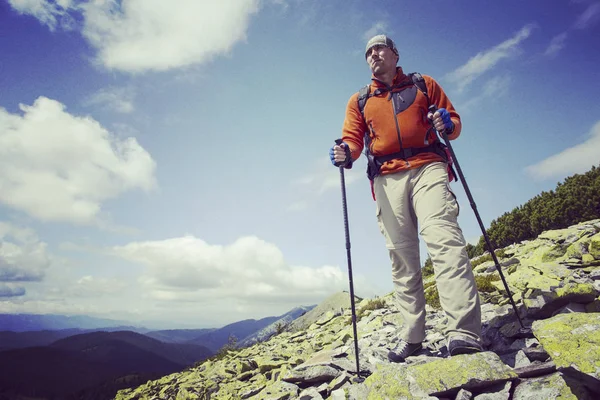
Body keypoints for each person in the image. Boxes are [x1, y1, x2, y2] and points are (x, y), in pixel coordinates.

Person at [330, 34, 482, 362]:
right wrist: (345, 152)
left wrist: (446, 123)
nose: (373, 54)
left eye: (379, 48)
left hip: (428, 167)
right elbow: (353, 140)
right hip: (386, 178)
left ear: (395, 53)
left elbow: (452, 123)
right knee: (401, 257)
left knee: (444, 242)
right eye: (368, 51)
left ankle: (464, 331)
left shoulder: (424, 84)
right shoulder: (360, 100)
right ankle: (413, 335)